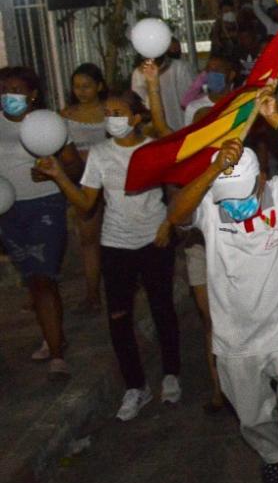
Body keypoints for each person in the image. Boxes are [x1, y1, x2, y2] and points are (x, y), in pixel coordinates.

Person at [166, 81, 278, 483]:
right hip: (237, 335)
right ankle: (270, 450)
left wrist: (277, 118)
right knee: (252, 416)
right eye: (228, 201)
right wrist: (212, 171)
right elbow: (178, 215)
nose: (236, 209)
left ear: (261, 179)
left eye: (244, 197)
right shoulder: (210, 203)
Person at [38, 68, 183, 421]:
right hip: (116, 244)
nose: (111, 119)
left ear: (135, 118)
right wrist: (59, 176)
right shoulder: (101, 154)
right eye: (108, 114)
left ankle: (171, 374)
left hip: (154, 239)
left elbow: (177, 190)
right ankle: (136, 386)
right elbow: (87, 204)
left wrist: (168, 224)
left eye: (118, 114)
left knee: (162, 308)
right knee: (118, 318)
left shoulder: (153, 149)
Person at [0, 66, 82, 377]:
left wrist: (55, 170)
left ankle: (57, 355)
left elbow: (75, 167)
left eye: (17, 90)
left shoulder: (50, 124)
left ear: (33, 95)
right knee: (33, 279)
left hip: (45, 205)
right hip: (8, 211)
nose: (9, 96)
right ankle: (52, 335)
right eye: (4, 89)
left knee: (44, 278)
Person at [60, 63, 108, 312]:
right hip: (82, 183)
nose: (81, 91)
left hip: (111, 183)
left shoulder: (111, 112)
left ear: (99, 86)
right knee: (88, 239)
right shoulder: (65, 117)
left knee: (113, 236)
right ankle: (92, 293)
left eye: (87, 86)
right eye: (77, 86)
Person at [132, 44, 196, 133]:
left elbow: (192, 99)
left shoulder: (180, 67)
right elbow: (141, 104)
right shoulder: (139, 73)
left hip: (184, 125)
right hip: (157, 130)